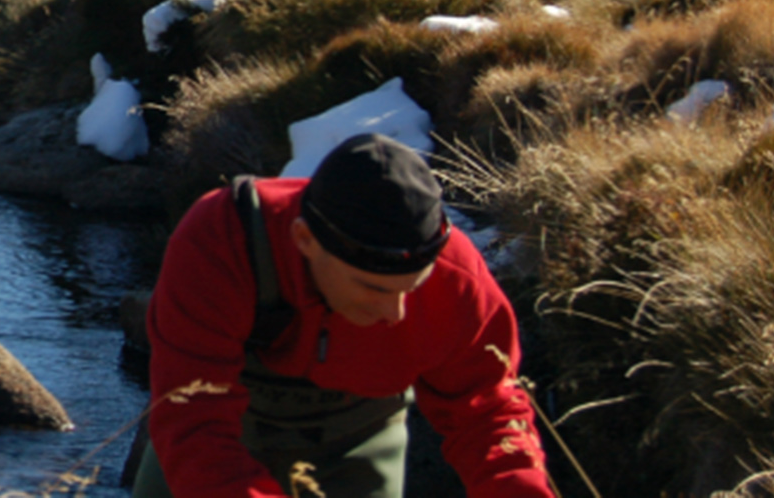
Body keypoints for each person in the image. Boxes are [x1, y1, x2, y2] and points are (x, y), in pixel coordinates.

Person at [134, 133, 554, 498]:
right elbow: (192, 424)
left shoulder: (456, 281)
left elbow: (489, 417)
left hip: (357, 445)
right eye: (373, 287)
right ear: (305, 240)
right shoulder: (221, 241)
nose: (396, 312)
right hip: (216, 443)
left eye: (413, 286)